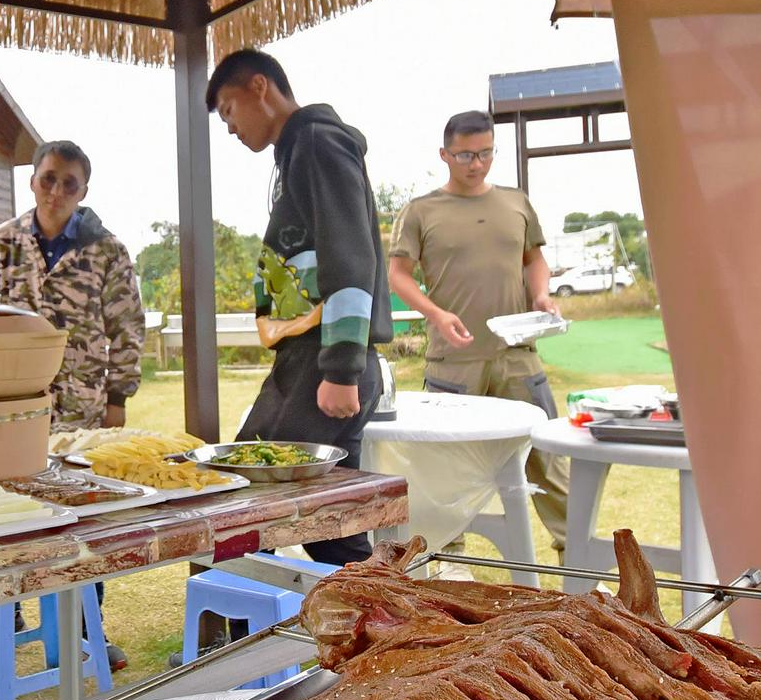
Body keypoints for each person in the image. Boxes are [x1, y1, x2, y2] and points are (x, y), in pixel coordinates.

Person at [207, 48, 391, 567]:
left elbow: (351, 258)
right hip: (308, 359)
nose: (229, 127)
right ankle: (377, 629)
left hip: (323, 362)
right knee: (332, 528)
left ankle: (227, 634)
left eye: (227, 109)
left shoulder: (316, 142)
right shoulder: (295, 153)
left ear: (260, 88)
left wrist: (340, 368)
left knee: (242, 489)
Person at [387, 110, 570, 548]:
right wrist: (436, 314)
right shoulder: (421, 210)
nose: (477, 163)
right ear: (444, 154)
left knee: (549, 460)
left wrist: (541, 295)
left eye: (486, 153)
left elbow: (534, 261)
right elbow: (398, 274)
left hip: (518, 355)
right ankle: (447, 561)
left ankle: (576, 554)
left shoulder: (516, 202)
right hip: (453, 362)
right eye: (466, 154)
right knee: (446, 471)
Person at [0, 140, 144, 434]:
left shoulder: (106, 250)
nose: (56, 192)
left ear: (83, 192)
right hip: (13, 404)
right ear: (33, 181)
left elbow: (127, 329)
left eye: (69, 184)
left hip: (83, 411)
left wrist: (118, 401)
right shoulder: (3, 242)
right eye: (48, 179)